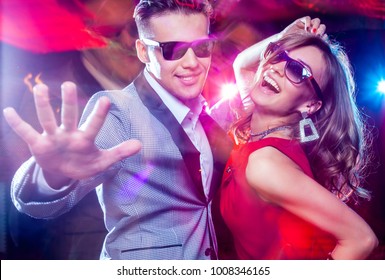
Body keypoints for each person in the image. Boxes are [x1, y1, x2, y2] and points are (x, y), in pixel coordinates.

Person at [2, 0, 233, 260]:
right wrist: (51, 176)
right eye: (173, 49)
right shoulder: (108, 108)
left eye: (202, 47)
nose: (192, 62)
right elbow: (34, 206)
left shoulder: (194, 103)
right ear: (144, 51)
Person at [219, 17, 379, 260]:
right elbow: (241, 65)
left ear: (311, 105)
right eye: (278, 55)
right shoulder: (263, 127)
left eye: (297, 70)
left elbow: (361, 239)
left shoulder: (266, 163)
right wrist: (285, 34)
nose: (276, 68)